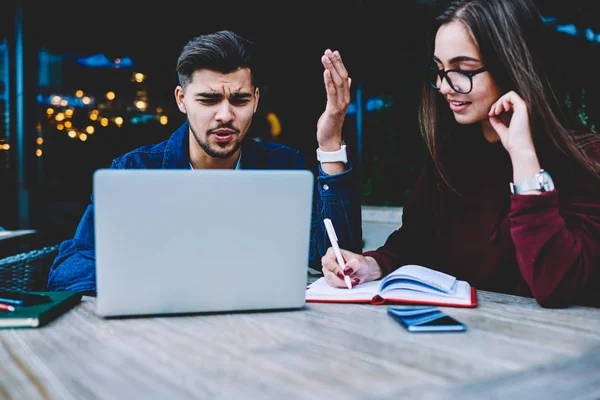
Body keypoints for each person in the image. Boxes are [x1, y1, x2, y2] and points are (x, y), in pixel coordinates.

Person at [321, 0, 600, 308]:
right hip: (456, 341)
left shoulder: (585, 161)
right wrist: (373, 264)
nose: (443, 86)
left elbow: (557, 283)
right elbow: (414, 243)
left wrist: (522, 156)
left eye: (463, 70)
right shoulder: (450, 157)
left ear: (512, 65)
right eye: (439, 69)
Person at [48, 30, 362, 293]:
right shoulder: (135, 170)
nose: (225, 115)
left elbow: (341, 257)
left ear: (255, 100)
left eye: (239, 100)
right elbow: (68, 270)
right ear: (182, 100)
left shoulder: (282, 166)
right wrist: (165, 277)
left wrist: (330, 141)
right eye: (208, 100)